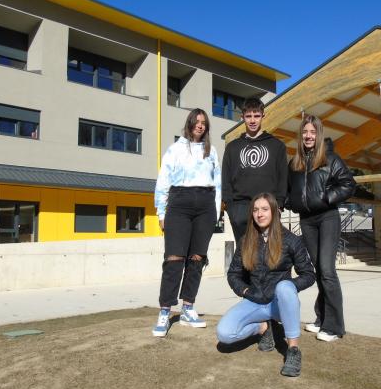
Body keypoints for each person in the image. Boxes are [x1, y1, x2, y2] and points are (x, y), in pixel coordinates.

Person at [216, 193, 315, 377]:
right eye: (255, 210)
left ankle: (293, 350)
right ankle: (263, 327)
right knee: (224, 334)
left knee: (284, 287)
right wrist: (245, 290)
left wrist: (289, 287)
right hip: (255, 301)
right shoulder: (246, 240)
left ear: (275, 212)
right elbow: (233, 274)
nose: (259, 214)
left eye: (264, 209)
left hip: (280, 303)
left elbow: (309, 274)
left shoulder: (291, 240)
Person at [287, 114, 356, 343]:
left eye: (312, 132)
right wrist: (291, 202)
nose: (308, 136)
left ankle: (335, 327)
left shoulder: (330, 159)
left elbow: (348, 183)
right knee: (318, 270)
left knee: (327, 270)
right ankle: (321, 318)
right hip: (307, 221)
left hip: (327, 218)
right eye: (305, 132)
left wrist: (328, 197)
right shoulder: (294, 163)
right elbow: (288, 192)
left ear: (319, 135)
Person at [152, 108, 221, 337]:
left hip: (206, 205)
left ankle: (188, 308)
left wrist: (216, 211)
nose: (200, 126)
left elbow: (217, 183)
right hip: (179, 204)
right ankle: (164, 311)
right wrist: (161, 212)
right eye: (197, 122)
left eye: (204, 123)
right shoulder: (175, 149)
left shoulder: (212, 151)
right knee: (174, 258)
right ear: (189, 124)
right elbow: (163, 181)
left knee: (197, 258)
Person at [221, 98, 287, 244]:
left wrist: (279, 205)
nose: (252, 120)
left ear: (263, 116)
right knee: (244, 255)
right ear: (242, 117)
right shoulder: (232, 147)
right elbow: (225, 178)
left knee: (268, 255)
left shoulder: (277, 146)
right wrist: (230, 207)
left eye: (256, 116)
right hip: (239, 208)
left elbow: (283, 177)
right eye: (248, 116)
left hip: (267, 206)